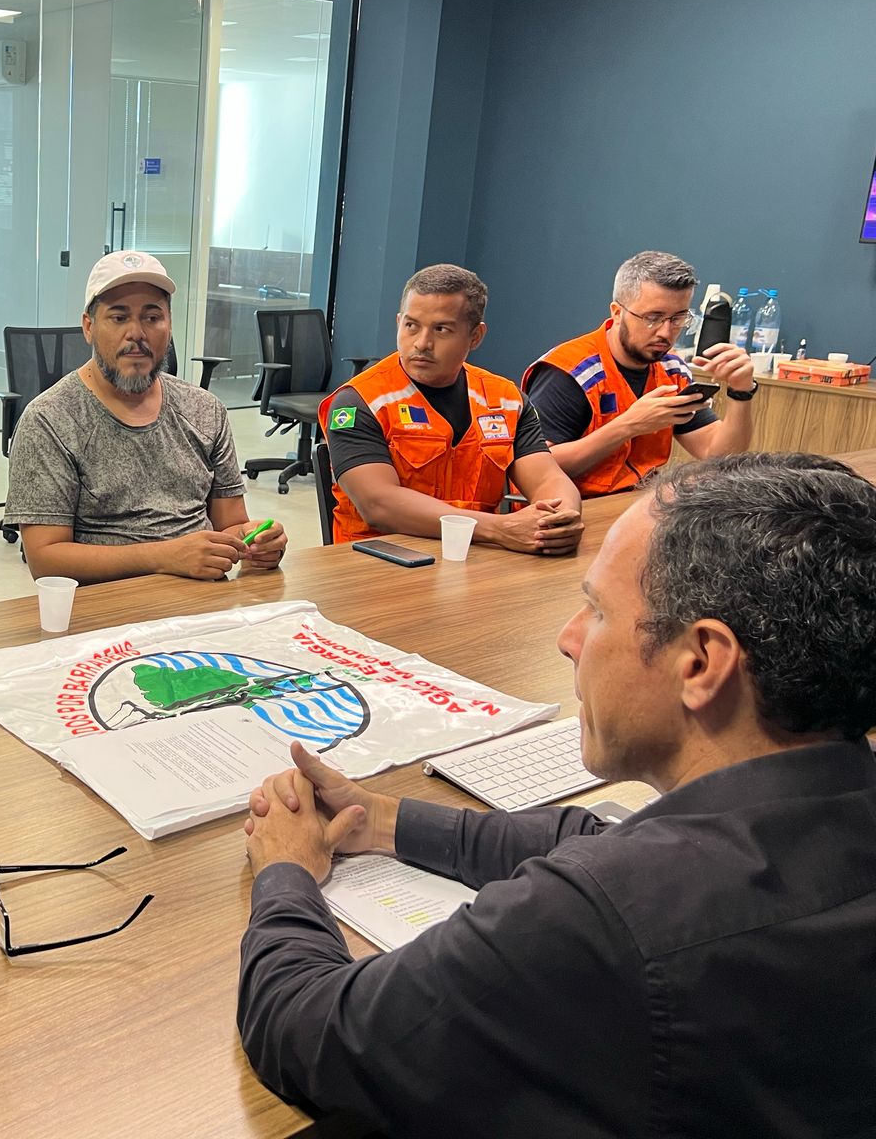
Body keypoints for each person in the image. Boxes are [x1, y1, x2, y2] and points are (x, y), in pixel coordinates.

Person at [237, 452, 876, 1136]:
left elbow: (307, 1030)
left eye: (597, 611)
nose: (568, 638)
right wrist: (386, 820)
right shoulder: (825, 805)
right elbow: (600, 840)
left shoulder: (606, 922)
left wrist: (286, 871)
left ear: (701, 663)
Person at [3, 250, 287, 585]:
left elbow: (231, 525)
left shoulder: (205, 410)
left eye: (152, 317)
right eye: (118, 317)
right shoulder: (49, 420)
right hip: (106, 608)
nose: (136, 333)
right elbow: (46, 559)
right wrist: (166, 557)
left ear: (169, 325)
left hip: (205, 601)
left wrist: (256, 542)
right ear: (89, 327)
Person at [317, 264, 584, 553]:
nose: (422, 343)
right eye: (411, 325)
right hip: (378, 561)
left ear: (475, 336)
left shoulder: (506, 400)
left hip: (477, 555)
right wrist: (498, 529)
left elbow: (547, 478)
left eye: (441, 329)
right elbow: (378, 504)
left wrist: (561, 518)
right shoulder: (361, 401)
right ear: (398, 322)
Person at [524, 250, 756, 496]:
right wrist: (629, 425)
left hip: (639, 501)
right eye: (653, 318)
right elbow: (537, 469)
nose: (666, 333)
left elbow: (720, 458)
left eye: (678, 318)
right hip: (568, 507)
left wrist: (741, 393)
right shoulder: (570, 372)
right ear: (617, 312)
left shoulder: (671, 368)